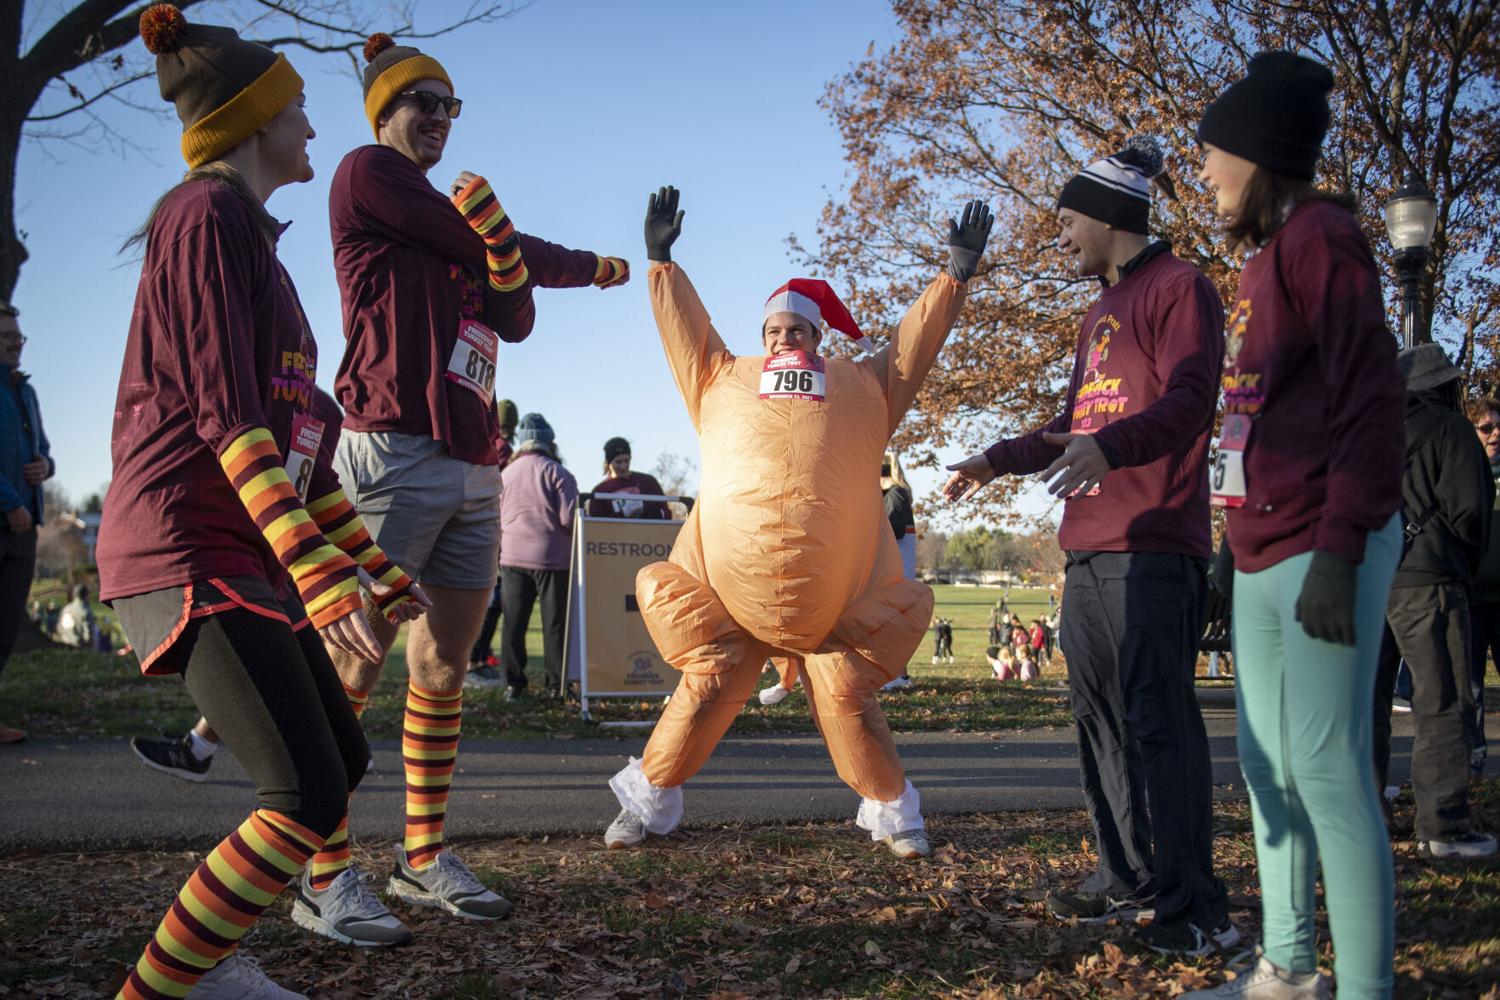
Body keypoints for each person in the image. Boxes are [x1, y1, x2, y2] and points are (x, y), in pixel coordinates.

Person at [102, 8, 430, 995]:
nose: (314, 131)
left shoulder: (259, 249)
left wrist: (374, 570)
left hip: (241, 549)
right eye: (297, 111)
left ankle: (202, 964)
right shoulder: (201, 219)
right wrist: (322, 576)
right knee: (304, 788)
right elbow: (225, 420)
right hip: (182, 548)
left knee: (343, 757)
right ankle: (161, 987)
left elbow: (302, 456)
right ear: (249, 120)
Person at [318, 30, 629, 939]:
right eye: (425, 103)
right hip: (388, 451)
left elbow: (516, 313)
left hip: (473, 463)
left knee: (447, 664)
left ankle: (421, 857)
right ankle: (321, 865)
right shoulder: (366, 174)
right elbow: (506, 247)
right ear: (386, 111)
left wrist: (507, 258)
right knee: (354, 664)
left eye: (452, 107)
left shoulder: (459, 230)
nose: (440, 121)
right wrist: (598, 266)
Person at [603, 185, 991, 860]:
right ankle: (647, 804)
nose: (786, 337)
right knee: (702, 695)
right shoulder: (721, 378)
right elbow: (685, 333)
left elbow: (911, 345)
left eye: (799, 330)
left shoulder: (862, 386)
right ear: (763, 340)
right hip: (730, 594)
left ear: (820, 336)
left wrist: (953, 278)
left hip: (835, 599)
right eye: (775, 331)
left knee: (847, 697)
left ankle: (895, 813)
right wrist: (661, 264)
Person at [944, 134, 1231, 955]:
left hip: (1156, 547)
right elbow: (1072, 426)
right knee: (1098, 721)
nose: (1058, 236)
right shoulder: (1096, 312)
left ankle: (1193, 906)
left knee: (1160, 723)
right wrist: (992, 461)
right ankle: (1123, 875)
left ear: (1110, 217)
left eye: (1067, 221)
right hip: (1088, 551)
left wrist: (1113, 448)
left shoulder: (1182, 288)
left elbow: (1190, 400)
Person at [1183, 52, 1406, 1000]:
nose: (1203, 176)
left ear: (1262, 156)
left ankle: (1365, 990)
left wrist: (1340, 547)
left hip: (1327, 540)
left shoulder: (1323, 239)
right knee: (1265, 767)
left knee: (1326, 768)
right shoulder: (1261, 261)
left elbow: (1372, 400)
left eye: (1213, 157)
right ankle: (1288, 968)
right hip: (1262, 549)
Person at [1370, 346, 1495, 857]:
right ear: (1443, 386)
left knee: (1366, 707)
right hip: (1429, 582)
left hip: (1364, 584)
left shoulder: (1365, 438)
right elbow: (1471, 513)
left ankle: (1364, 818)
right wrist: (1456, 559)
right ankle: (1443, 827)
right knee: (1441, 703)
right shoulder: (1452, 430)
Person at [498, 413, 577, 698]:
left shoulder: (506, 473)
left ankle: (513, 685)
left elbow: (495, 516)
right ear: (548, 441)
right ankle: (557, 685)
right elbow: (570, 519)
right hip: (552, 559)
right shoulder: (558, 473)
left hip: (512, 557)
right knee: (555, 625)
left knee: (514, 624)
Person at [0, 300, 50, 745]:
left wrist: (44, 468)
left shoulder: (26, 392)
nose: (17, 344)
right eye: (8, 337)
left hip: (23, 526)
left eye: (19, 337)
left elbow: (45, 451)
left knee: (6, 623)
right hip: (8, 515)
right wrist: (10, 502)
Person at [466, 397, 520, 688]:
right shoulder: (501, 449)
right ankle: (474, 660)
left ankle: (480, 657)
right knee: (488, 602)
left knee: (490, 602)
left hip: (487, 528)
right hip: (489, 530)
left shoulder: (489, 441)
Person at [1467, 394, 1500, 775]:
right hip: (1473, 596)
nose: (1494, 435)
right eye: (1486, 428)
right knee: (1471, 686)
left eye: (1498, 427)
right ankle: (1473, 759)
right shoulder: (1466, 474)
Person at [586, 437, 669, 519]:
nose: (623, 467)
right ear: (608, 463)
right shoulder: (600, 491)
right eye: (618, 462)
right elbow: (595, 525)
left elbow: (666, 513)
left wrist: (656, 514)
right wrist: (621, 516)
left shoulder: (648, 482)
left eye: (626, 461)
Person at [56, 583, 96, 648]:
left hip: (66, 644)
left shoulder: (66, 609)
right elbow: (88, 634)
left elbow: (59, 628)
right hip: (82, 647)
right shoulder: (86, 611)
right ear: (86, 596)